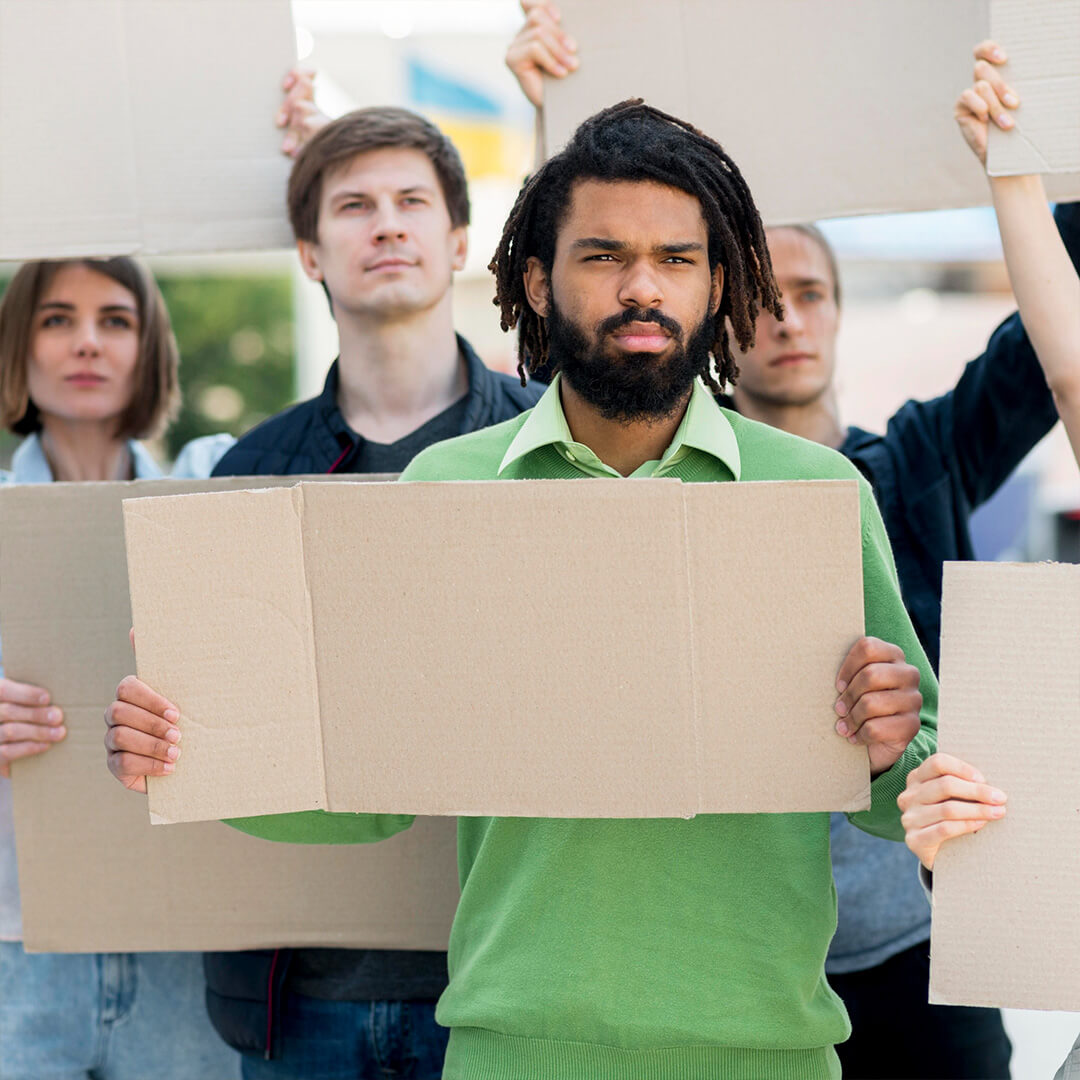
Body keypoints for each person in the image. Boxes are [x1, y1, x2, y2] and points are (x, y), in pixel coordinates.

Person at [106, 98, 938, 1080]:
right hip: (512, 1053)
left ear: (718, 284)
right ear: (538, 282)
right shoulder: (451, 489)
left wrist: (893, 753)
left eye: (675, 259)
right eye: (602, 256)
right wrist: (192, 753)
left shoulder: (816, 493)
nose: (641, 287)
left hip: (769, 1053)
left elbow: (912, 786)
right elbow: (368, 785)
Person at [506, 11, 1080, 1076]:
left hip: (905, 934)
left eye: (810, 291)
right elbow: (572, 317)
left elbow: (1053, 363)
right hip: (738, 949)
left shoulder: (915, 462)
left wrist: (1036, 136)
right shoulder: (636, 477)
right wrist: (546, 117)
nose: (787, 318)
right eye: (767, 292)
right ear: (724, 307)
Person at [194, 105, 545, 1079]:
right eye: (353, 206)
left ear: (458, 240)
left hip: (500, 985)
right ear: (312, 253)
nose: (386, 225)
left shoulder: (550, 454)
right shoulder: (253, 472)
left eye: (410, 202)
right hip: (301, 996)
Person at [0, 257, 237, 1079]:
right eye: (57, 319)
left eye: (116, 319)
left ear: (150, 347)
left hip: (179, 937)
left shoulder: (208, 498)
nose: (88, 343)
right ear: (19, 346)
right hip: (15, 940)